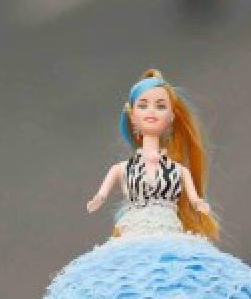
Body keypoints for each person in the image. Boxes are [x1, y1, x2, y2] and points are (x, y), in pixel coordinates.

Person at [86, 68, 218, 240]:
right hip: (133, 233)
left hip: (169, 232)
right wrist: (98, 199)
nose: (151, 111)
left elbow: (195, 200)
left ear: (171, 117)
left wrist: (199, 204)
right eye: (143, 105)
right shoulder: (121, 169)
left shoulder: (178, 171)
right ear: (132, 115)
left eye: (160, 106)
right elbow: (101, 195)